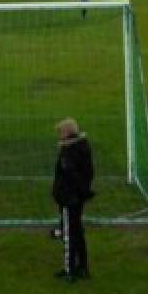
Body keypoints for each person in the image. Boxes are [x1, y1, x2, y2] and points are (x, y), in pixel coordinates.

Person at [52, 118, 94, 282]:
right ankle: (82, 267)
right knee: (77, 232)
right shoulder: (81, 147)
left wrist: (68, 195)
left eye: (60, 133)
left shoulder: (70, 152)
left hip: (70, 199)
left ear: (67, 133)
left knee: (69, 234)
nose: (59, 136)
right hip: (76, 197)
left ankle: (70, 271)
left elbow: (71, 176)